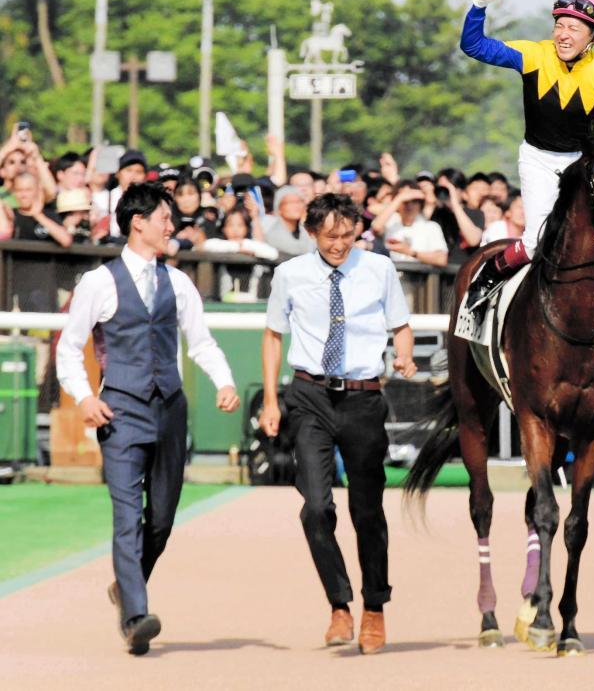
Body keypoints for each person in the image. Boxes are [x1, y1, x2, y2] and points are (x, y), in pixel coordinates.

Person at [56, 183, 240, 655]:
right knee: (125, 516)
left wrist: (224, 381)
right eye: (164, 217)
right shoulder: (98, 282)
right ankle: (136, 616)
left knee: (160, 519)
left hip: (170, 411)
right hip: (119, 409)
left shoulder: (178, 283)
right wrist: (82, 398)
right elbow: (69, 348)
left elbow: (200, 341)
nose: (171, 226)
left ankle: (126, 585)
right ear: (138, 222)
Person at [259, 193, 417, 655]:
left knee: (367, 511)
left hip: (364, 400)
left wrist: (403, 353)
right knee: (315, 507)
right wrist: (271, 400)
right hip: (308, 397)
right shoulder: (290, 275)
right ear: (312, 233)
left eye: (348, 235)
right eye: (331, 236)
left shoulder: (379, 269)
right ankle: (338, 604)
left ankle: (374, 609)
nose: (340, 244)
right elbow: (272, 335)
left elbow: (400, 325)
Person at [460, 0, 594, 302]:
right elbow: (474, 46)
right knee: (537, 242)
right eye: (559, 25)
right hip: (537, 158)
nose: (563, 34)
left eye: (574, 28)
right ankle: (490, 276)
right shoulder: (534, 54)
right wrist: (479, 3)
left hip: (580, 164)